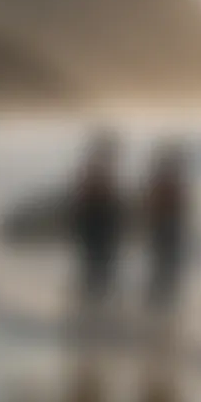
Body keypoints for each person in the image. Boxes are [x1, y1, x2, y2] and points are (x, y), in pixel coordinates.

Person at [70, 130, 123, 310]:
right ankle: (92, 298)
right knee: (96, 261)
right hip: (95, 221)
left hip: (100, 221)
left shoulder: (100, 172)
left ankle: (95, 297)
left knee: (100, 262)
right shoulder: (94, 172)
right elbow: (87, 200)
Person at [145, 140, 190, 313]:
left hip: (169, 228)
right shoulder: (163, 182)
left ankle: (161, 301)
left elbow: (181, 207)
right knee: (162, 266)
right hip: (164, 227)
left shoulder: (169, 182)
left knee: (166, 266)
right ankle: (158, 301)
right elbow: (153, 205)